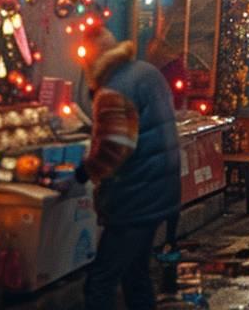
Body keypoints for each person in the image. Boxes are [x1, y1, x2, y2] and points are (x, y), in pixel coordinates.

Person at [76, 18, 181, 310]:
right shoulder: (146, 72)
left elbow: (114, 148)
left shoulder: (113, 90)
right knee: (136, 276)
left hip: (135, 197)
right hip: (160, 190)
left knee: (100, 282)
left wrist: (84, 171)